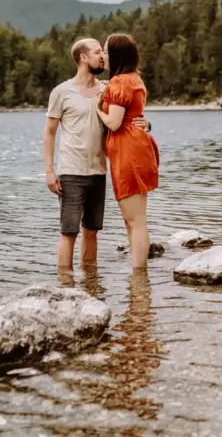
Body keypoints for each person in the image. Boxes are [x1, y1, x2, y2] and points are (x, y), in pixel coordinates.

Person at [44, 38, 149, 273]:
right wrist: (49, 171)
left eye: (104, 51)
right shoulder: (61, 92)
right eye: (97, 52)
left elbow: (129, 114)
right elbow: (49, 132)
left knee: (92, 230)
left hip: (99, 171)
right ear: (83, 58)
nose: (102, 56)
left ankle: (91, 282)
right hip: (71, 171)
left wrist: (147, 124)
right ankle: (65, 284)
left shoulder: (107, 88)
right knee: (68, 232)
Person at [96, 33, 160, 271]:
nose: (103, 55)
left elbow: (114, 123)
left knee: (135, 220)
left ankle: (139, 275)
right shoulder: (134, 78)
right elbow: (133, 115)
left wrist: (97, 109)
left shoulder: (120, 82)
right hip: (136, 147)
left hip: (128, 150)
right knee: (134, 218)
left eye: (105, 51)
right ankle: (138, 273)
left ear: (116, 55)